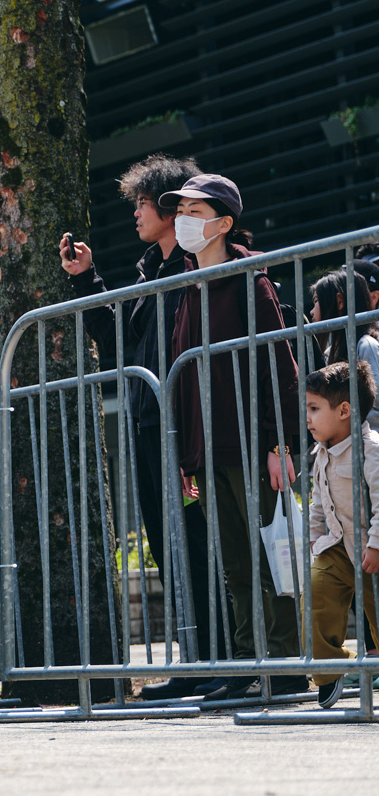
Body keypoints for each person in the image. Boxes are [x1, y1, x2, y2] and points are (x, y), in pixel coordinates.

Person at [60, 153, 215, 698]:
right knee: (168, 543)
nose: (136, 213)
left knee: (196, 540)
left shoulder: (195, 267)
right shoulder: (150, 270)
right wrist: (86, 278)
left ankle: (218, 662)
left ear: (171, 208)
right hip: (149, 426)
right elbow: (118, 339)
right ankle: (197, 663)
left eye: (143, 203)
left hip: (186, 429)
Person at [161, 174, 306, 699]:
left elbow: (280, 368)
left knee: (269, 556)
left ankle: (285, 664)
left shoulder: (251, 282)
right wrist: (187, 457)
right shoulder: (186, 288)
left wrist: (280, 445)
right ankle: (248, 662)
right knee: (236, 565)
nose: (183, 220)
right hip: (207, 451)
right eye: (180, 211)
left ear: (223, 223)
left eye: (194, 211)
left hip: (252, 445)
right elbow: (181, 376)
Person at [301, 361, 379, 708]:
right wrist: (315, 537)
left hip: (373, 549)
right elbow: (318, 502)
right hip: (338, 546)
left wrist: (376, 545)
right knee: (316, 593)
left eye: (314, 409)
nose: (308, 418)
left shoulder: (370, 450)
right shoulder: (320, 453)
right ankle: (331, 670)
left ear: (344, 411)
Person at [310, 269, 379, 431]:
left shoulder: (365, 345)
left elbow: (376, 404)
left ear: (339, 301)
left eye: (316, 301)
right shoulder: (329, 352)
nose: (311, 311)